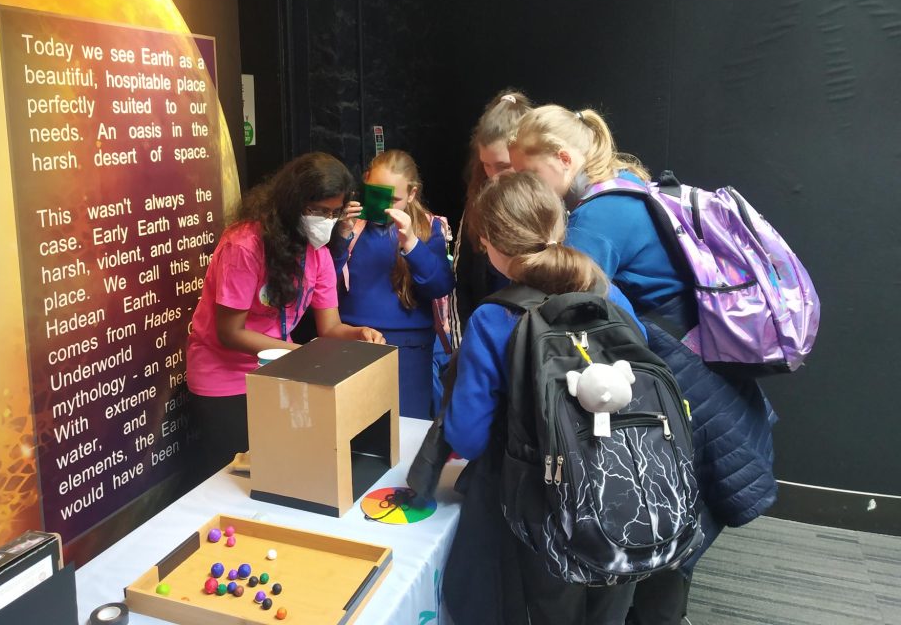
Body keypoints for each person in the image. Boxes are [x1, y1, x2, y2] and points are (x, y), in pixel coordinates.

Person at [509, 105, 778, 625]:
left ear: (564, 159)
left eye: (528, 172)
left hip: (685, 385)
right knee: (679, 520)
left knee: (663, 521)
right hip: (712, 379)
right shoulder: (631, 184)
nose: (526, 184)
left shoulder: (598, 218)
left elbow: (564, 312)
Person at [442, 170, 640, 625]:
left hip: (538, 515)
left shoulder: (494, 319)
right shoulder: (614, 298)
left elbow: (468, 439)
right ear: (559, 226)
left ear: (491, 242)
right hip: (621, 492)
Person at [186, 152, 385, 479]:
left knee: (278, 476)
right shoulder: (245, 245)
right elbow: (229, 332)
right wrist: (303, 356)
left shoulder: (318, 252)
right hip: (225, 380)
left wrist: (359, 333)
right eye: (319, 211)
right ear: (293, 203)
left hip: (278, 372)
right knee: (235, 481)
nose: (327, 221)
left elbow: (331, 326)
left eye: (335, 213)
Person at [332, 149, 454, 420]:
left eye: (394, 199)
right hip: (354, 341)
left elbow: (441, 285)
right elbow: (323, 283)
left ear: (412, 194)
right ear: (365, 182)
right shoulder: (350, 224)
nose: (384, 206)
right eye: (375, 193)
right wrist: (340, 237)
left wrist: (411, 243)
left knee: (407, 426)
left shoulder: (427, 226)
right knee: (356, 425)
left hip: (410, 348)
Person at [449, 89, 534, 345]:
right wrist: (462, 347)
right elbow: (461, 282)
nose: (493, 176)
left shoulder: (549, 210)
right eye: (486, 165)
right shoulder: (478, 204)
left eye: (503, 166)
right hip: (486, 339)